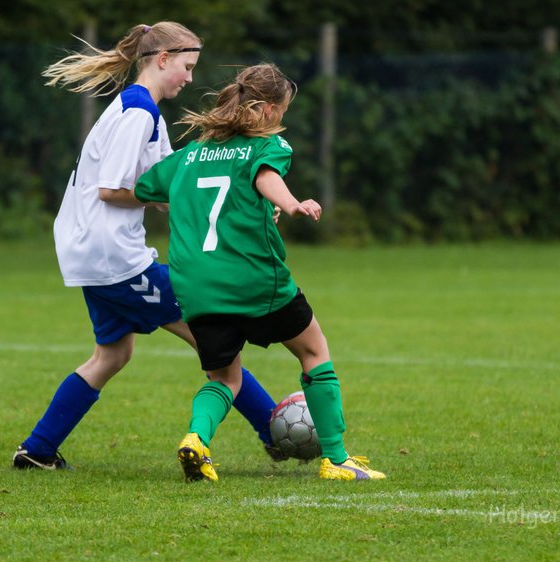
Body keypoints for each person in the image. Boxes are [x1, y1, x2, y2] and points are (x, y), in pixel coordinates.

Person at [13, 22, 280, 471]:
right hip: (117, 258)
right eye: (187, 66)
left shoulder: (136, 109)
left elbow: (157, 189)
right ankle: (276, 430)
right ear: (162, 60)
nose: (190, 78)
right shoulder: (138, 112)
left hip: (94, 255)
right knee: (216, 341)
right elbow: (112, 189)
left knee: (112, 355)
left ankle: (38, 450)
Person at [134, 63, 385, 481]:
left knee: (224, 376)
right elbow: (266, 177)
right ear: (268, 110)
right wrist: (289, 205)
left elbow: (144, 187)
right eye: (283, 111)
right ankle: (336, 459)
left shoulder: (190, 155)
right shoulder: (266, 146)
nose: (282, 120)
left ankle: (196, 439)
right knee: (313, 351)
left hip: (195, 286)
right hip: (251, 278)